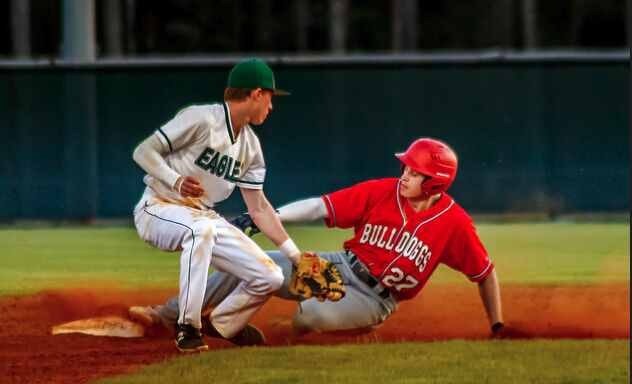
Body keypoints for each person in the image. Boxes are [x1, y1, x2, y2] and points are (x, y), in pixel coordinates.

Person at [130, 137, 507, 338]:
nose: (404, 174)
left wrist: (497, 325)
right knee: (247, 262)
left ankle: (359, 326)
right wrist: (267, 217)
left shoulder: (454, 223)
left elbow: (484, 272)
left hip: (376, 298)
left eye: (415, 171)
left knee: (308, 317)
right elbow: (320, 207)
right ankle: (168, 314)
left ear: (436, 182)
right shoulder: (383, 191)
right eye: (405, 166)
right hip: (337, 265)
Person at [131, 58, 309, 353]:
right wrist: (175, 180)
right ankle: (187, 325)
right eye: (270, 97)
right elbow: (144, 150)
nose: (271, 106)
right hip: (158, 207)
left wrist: (295, 256)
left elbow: (260, 208)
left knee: (269, 276)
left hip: (202, 216)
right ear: (256, 94)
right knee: (200, 230)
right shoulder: (202, 118)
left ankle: (225, 324)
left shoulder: (250, 146)